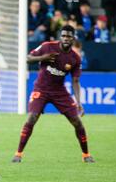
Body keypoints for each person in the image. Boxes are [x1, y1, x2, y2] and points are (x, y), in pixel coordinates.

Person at [12, 25, 95, 164]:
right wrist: (43, 58)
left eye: (69, 36)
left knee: (77, 122)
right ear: (60, 37)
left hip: (59, 91)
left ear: (73, 38)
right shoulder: (47, 47)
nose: (66, 38)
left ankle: (86, 154)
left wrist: (79, 103)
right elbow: (28, 58)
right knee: (32, 118)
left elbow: (75, 81)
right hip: (41, 88)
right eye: (63, 36)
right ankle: (18, 154)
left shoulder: (75, 58)